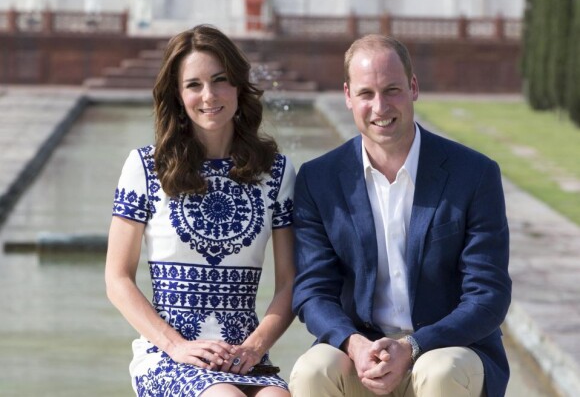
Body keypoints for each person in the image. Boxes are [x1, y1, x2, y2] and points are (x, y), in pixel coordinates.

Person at [290, 34, 512, 397]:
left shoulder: (474, 174)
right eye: (366, 94)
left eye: (391, 90)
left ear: (413, 87)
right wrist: (353, 344)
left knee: (438, 372)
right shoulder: (319, 180)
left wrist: (412, 347)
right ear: (348, 96)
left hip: (446, 351)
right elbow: (312, 291)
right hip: (362, 357)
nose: (380, 107)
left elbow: (489, 294)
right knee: (312, 371)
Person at [105, 24, 296, 396]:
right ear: (177, 95)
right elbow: (117, 278)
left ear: (239, 86)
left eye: (220, 80)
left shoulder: (275, 171)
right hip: (169, 352)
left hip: (245, 353)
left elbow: (290, 282)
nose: (209, 95)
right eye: (194, 84)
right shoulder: (145, 167)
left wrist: (255, 346)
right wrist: (176, 345)